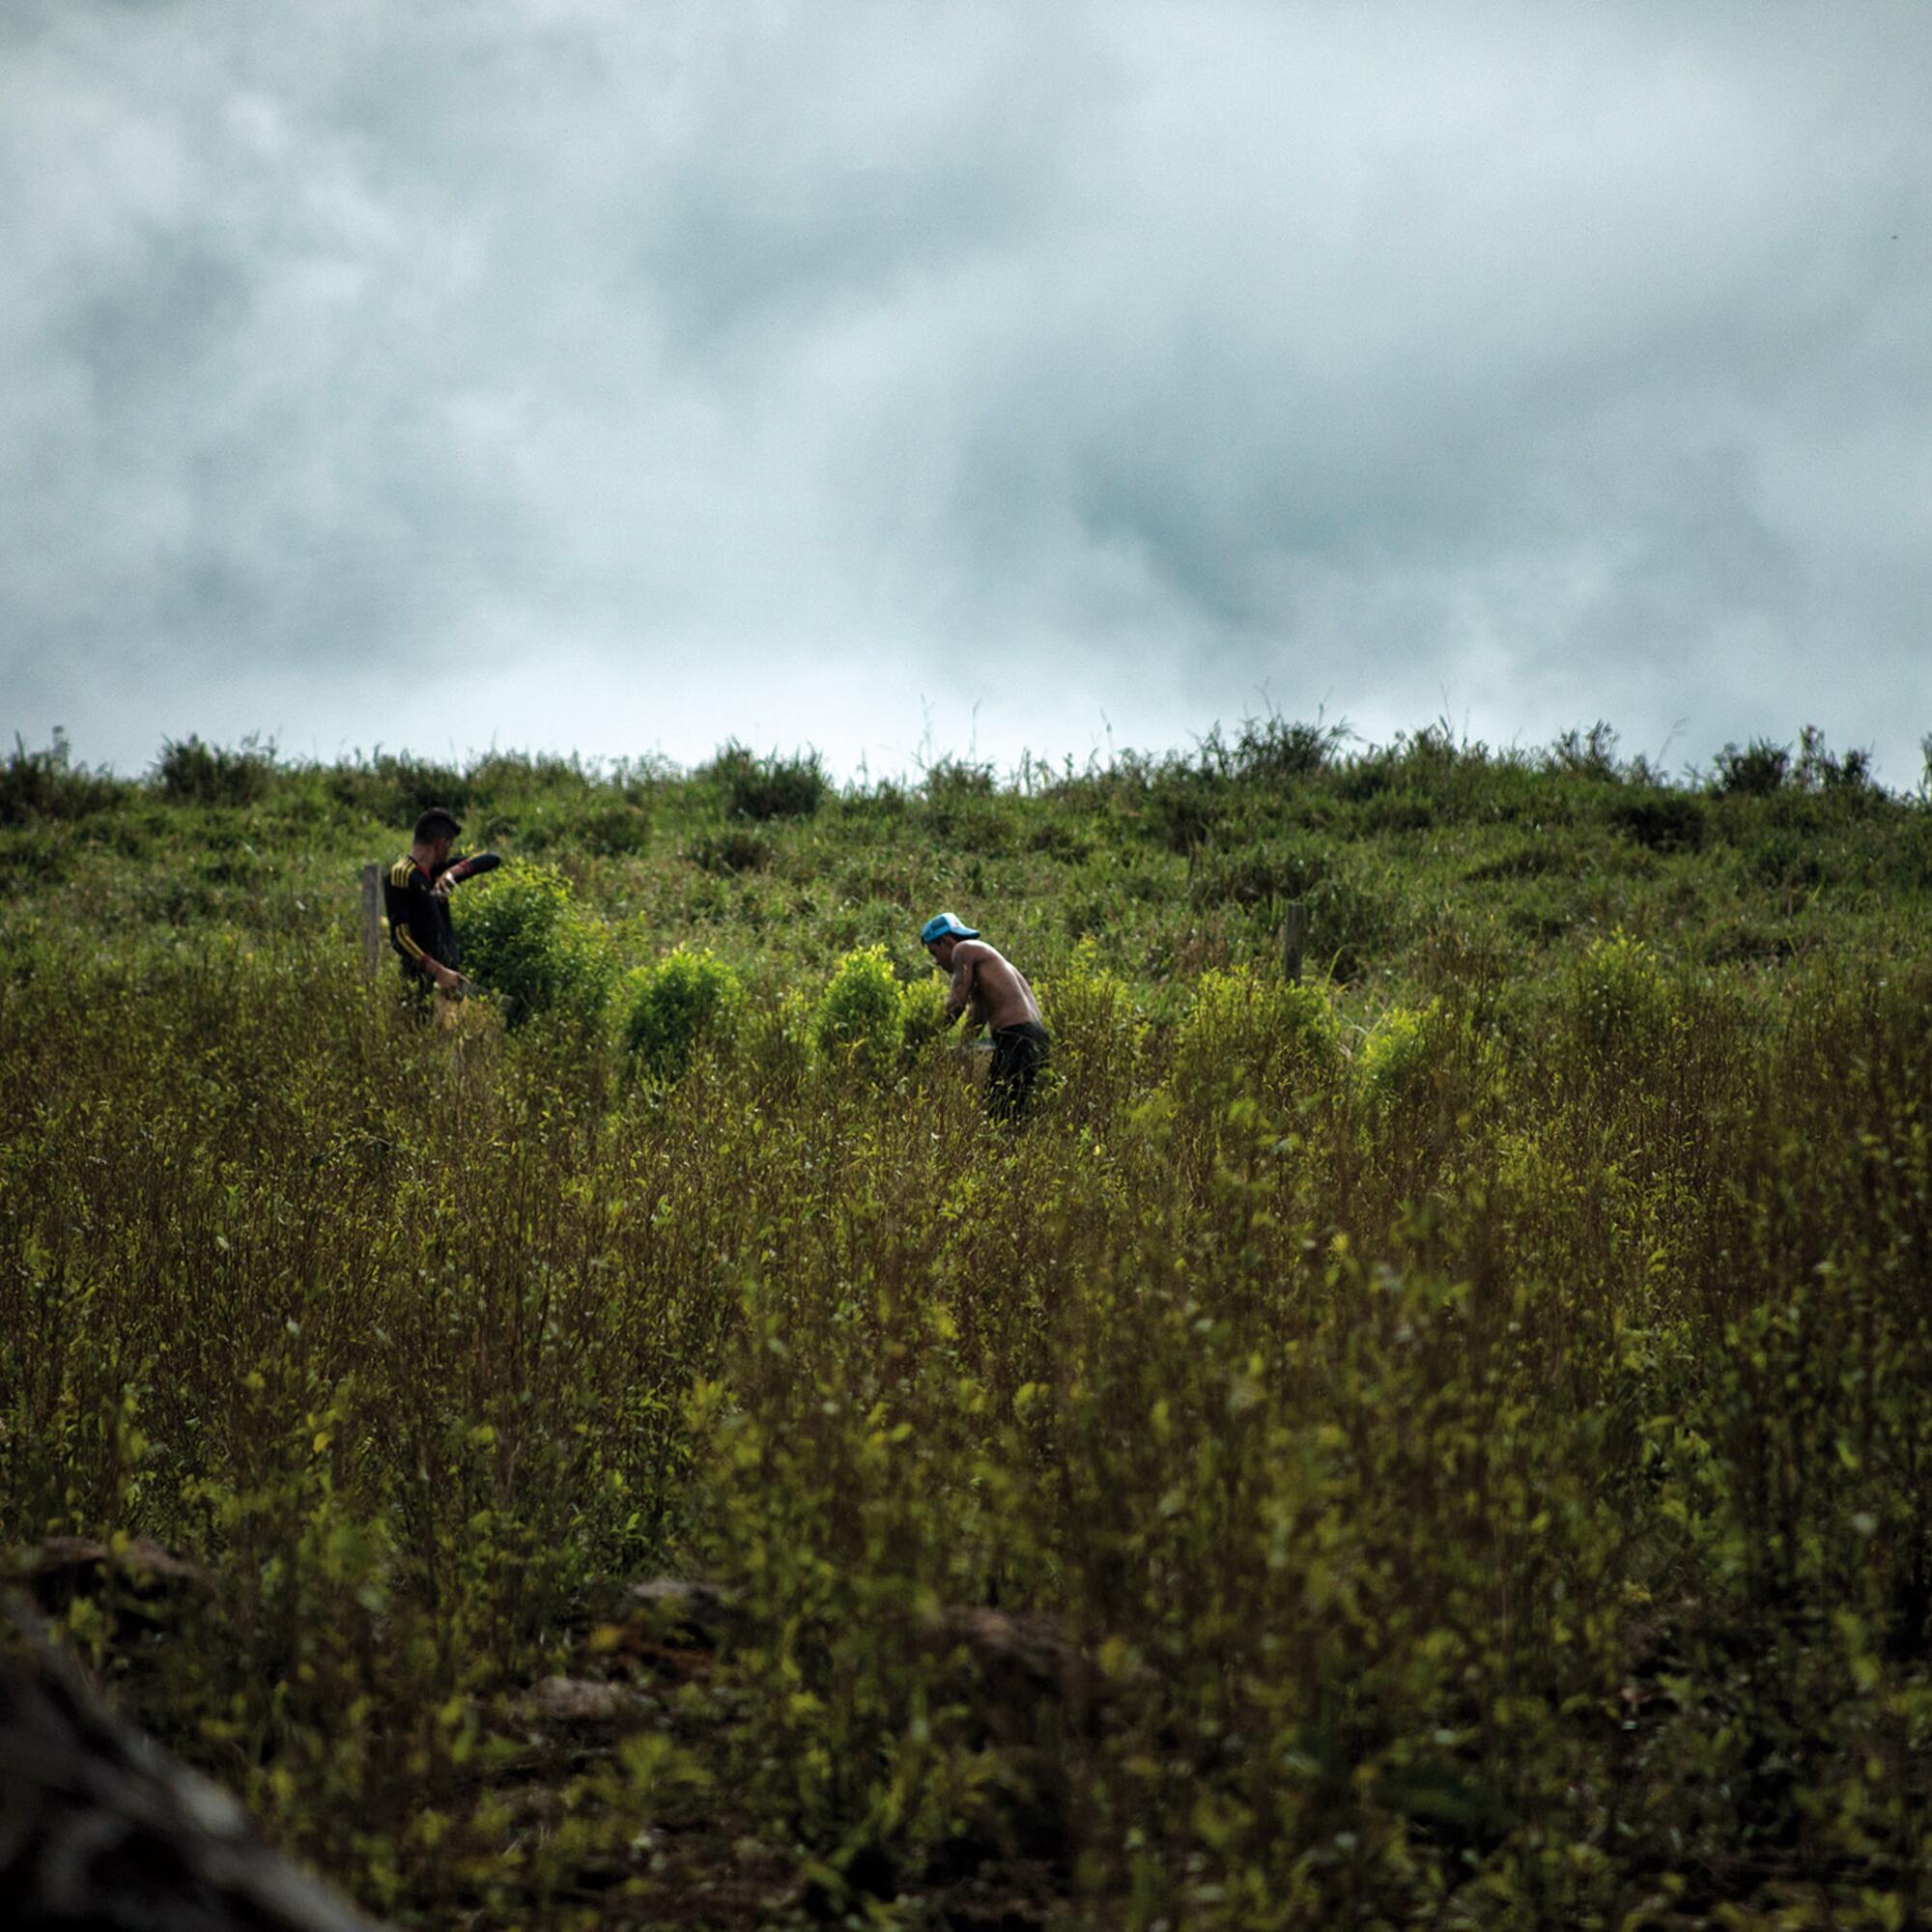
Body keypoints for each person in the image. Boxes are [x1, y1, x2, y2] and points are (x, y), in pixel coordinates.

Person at [921, 912, 1051, 1123]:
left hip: (1016, 1039)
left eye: (934, 952)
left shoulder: (963, 950)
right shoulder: (986, 961)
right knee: (1022, 1114)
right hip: (1035, 1037)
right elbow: (977, 1014)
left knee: (1002, 1117)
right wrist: (961, 1046)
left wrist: (926, 1034)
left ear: (946, 942)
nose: (935, 961)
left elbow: (956, 1003)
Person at [384, 807, 501, 1005]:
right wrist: (438, 971)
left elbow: (492, 858)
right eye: (450, 846)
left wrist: (452, 873)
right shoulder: (402, 874)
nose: (449, 854)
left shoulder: (438, 871)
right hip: (420, 982)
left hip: (450, 982)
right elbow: (400, 938)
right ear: (441, 844)